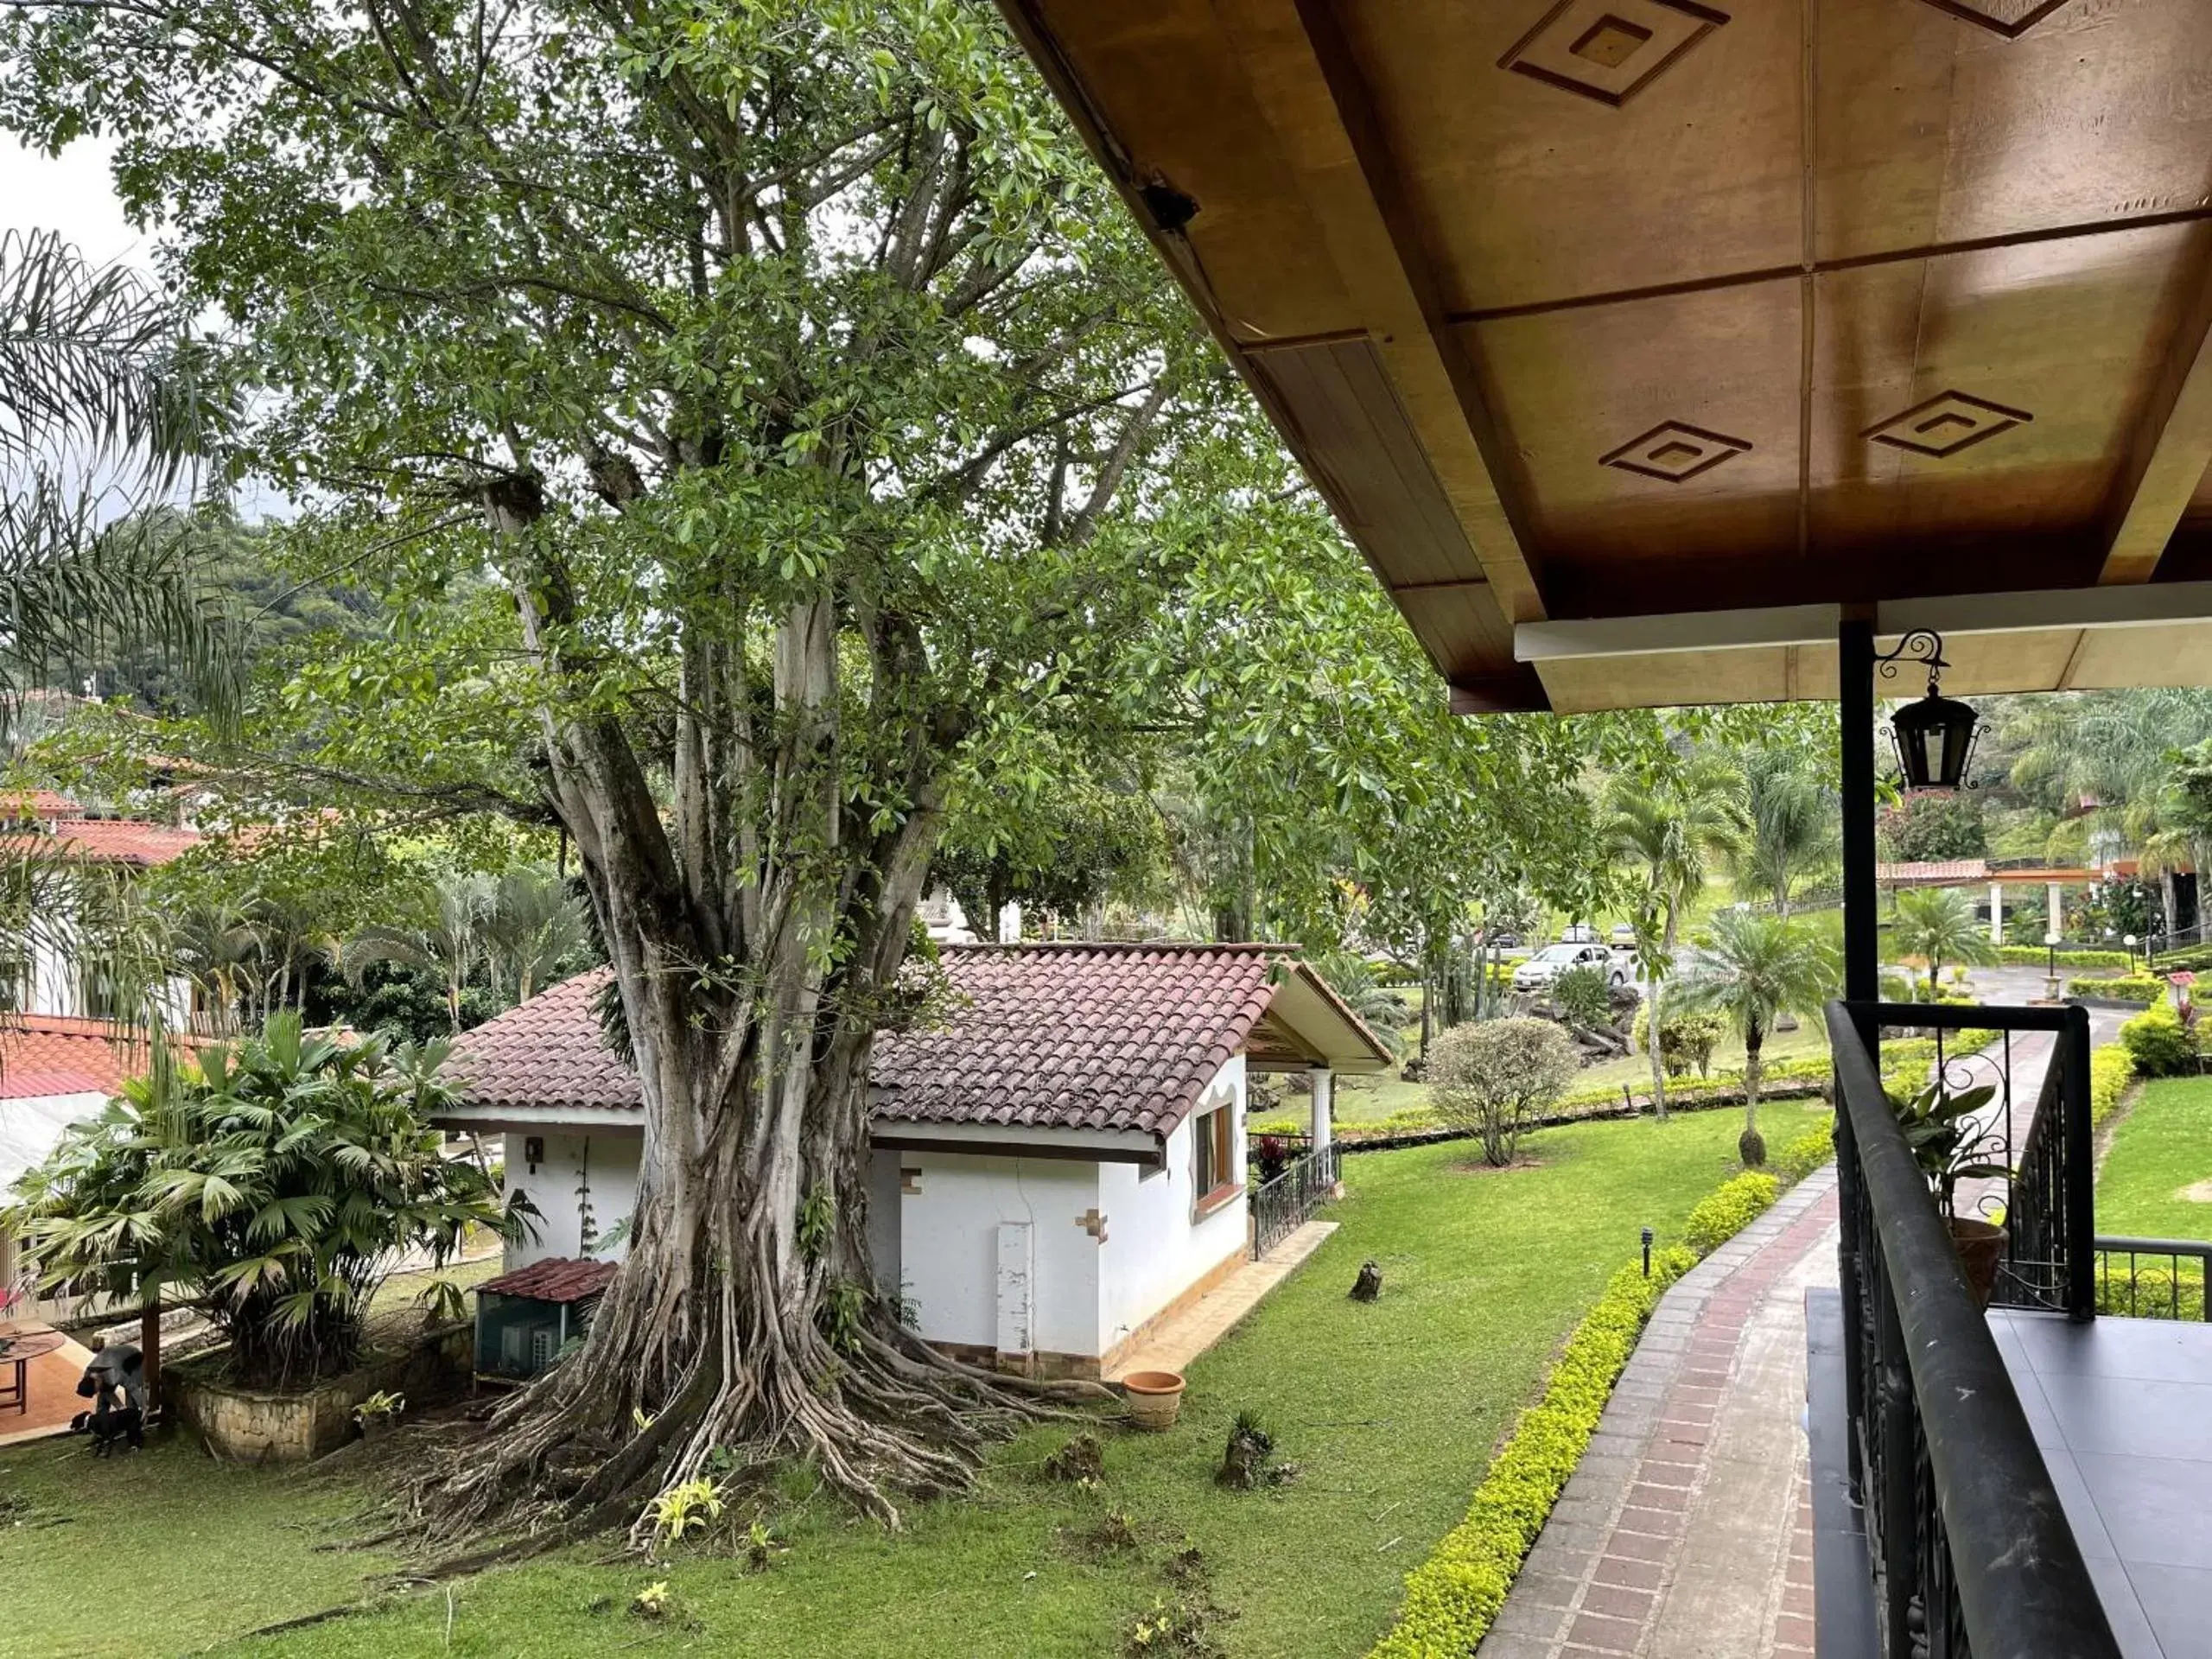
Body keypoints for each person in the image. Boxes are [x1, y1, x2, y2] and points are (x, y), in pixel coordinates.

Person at [72, 1337, 147, 1454]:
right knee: (102, 1401)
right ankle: (101, 1432)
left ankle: (135, 1435)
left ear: (97, 1380)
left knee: (132, 1404)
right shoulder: (88, 1374)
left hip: (132, 1359)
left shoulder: (113, 1375)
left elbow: (133, 1388)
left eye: (97, 1389)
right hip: (111, 1360)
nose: (98, 1391)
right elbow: (106, 1393)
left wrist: (144, 1407)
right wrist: (120, 1409)